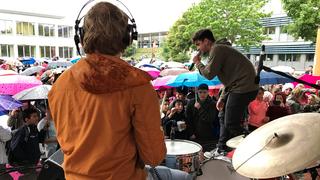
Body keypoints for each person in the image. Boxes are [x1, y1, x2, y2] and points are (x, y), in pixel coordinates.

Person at [48, 2, 166, 180]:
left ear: (80, 37)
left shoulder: (60, 85)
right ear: (127, 36)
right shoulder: (138, 85)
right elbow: (154, 157)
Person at [192, 29, 259, 156]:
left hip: (243, 88)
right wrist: (222, 98)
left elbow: (209, 74)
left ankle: (255, 146)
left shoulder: (217, 49)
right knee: (222, 116)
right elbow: (228, 80)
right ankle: (222, 148)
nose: (198, 48)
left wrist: (197, 62)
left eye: (198, 44)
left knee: (231, 123)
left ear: (206, 41)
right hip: (239, 87)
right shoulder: (219, 50)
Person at [185, 84, 219, 151]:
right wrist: (191, 132)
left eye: (204, 92)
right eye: (200, 92)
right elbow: (188, 119)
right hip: (195, 134)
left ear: (208, 92)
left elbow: (210, 119)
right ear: (197, 92)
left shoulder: (212, 103)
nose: (202, 94)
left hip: (208, 135)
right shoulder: (191, 102)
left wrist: (200, 108)